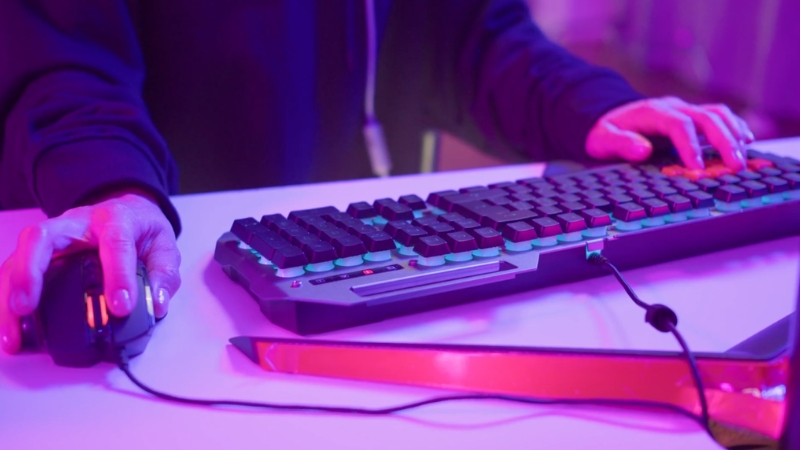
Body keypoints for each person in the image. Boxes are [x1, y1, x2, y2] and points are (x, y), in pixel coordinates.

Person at [0, 0, 753, 354]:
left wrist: (595, 109)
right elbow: (66, 64)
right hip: (176, 275)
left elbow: (477, 37)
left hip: (365, 268)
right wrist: (109, 184)